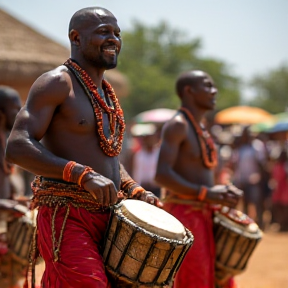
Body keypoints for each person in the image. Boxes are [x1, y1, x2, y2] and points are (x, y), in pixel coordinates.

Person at [5, 7, 161, 288]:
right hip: (66, 217)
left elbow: (106, 157)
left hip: (111, 217)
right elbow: (16, 146)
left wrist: (132, 187)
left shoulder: (106, 92)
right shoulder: (56, 82)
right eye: (103, 32)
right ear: (76, 38)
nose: (113, 39)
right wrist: (81, 174)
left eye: (117, 33)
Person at [154, 70, 242, 288]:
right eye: (208, 86)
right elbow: (162, 175)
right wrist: (206, 193)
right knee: (192, 279)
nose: (215, 91)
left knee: (213, 278)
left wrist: (222, 191)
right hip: (184, 216)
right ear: (189, 91)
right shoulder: (178, 125)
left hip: (204, 214)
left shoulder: (201, 127)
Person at [0, 86, 23, 288]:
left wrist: (17, 201)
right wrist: (9, 206)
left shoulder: (6, 143)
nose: (19, 114)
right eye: (14, 109)